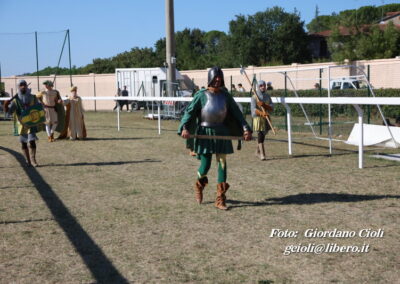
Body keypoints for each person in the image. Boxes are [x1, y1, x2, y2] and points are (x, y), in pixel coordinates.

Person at [178, 66, 252, 210]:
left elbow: (237, 113)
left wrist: (246, 128)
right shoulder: (201, 95)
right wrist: (184, 128)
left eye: (220, 78)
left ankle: (220, 199)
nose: (218, 80)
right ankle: (199, 186)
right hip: (205, 132)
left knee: (222, 164)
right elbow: (189, 112)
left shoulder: (226, 96)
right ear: (210, 79)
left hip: (222, 132)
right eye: (215, 78)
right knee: (205, 166)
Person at [4, 80, 43, 167]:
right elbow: (9, 113)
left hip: (31, 122)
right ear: (18, 87)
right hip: (21, 124)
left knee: (32, 141)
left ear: (26, 86)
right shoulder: (15, 100)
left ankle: (33, 160)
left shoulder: (33, 97)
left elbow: (39, 108)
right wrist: (6, 106)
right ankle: (27, 161)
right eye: (21, 85)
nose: (23, 86)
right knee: (23, 142)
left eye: (24, 85)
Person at [251, 80, 274, 160]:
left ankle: (257, 151)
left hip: (266, 117)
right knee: (260, 134)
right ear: (258, 87)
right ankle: (262, 154)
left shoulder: (267, 96)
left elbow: (272, 107)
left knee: (263, 135)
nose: (263, 87)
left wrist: (265, 105)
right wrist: (261, 113)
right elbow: (253, 110)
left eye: (264, 85)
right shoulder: (254, 97)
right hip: (258, 118)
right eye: (261, 86)